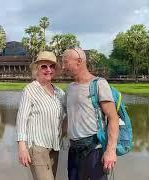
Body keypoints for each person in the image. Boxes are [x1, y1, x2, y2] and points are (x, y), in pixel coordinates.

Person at [61, 47, 119, 180]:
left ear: (79, 61)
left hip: (95, 149)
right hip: (74, 150)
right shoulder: (70, 88)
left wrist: (110, 151)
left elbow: (113, 118)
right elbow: (69, 118)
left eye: (65, 62)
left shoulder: (99, 84)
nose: (63, 66)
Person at [16, 51, 65, 180]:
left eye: (52, 66)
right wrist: (22, 147)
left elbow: (69, 114)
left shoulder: (60, 93)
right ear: (37, 69)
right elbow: (22, 120)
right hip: (37, 147)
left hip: (55, 146)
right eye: (44, 66)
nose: (48, 70)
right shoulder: (30, 90)